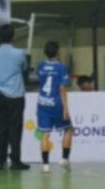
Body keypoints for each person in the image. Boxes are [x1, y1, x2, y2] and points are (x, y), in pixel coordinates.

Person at [0, 25, 29, 171]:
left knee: (0, 129)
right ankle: (15, 161)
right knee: (15, 129)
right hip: (16, 95)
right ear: (13, 37)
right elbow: (24, 68)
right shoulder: (19, 53)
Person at [36, 40, 73, 173]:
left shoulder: (40, 65)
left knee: (45, 134)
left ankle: (45, 165)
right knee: (68, 129)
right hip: (56, 103)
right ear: (58, 52)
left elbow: (40, 81)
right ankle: (64, 159)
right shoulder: (61, 67)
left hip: (42, 103)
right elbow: (62, 88)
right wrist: (65, 108)